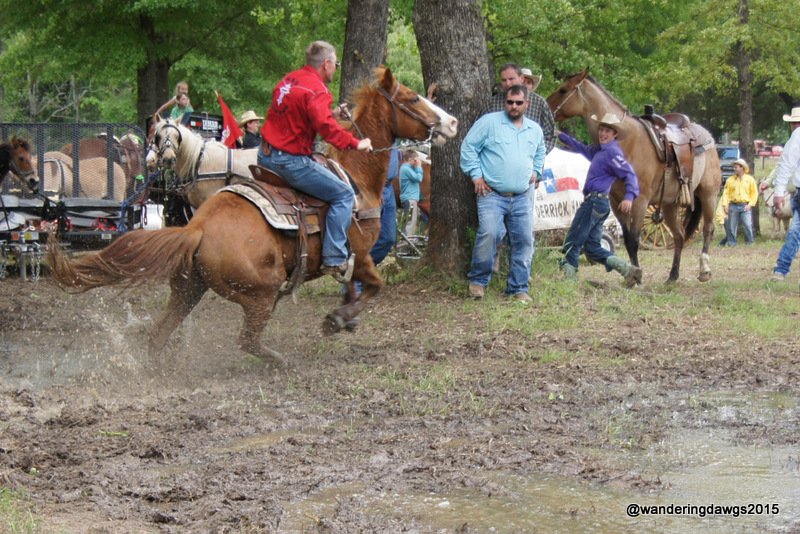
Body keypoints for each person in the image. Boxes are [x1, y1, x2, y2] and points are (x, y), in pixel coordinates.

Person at [258, 40, 372, 279]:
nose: (336, 69)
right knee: (343, 195)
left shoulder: (287, 81)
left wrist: (331, 113)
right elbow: (328, 131)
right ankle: (334, 257)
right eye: (336, 65)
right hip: (290, 162)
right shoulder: (318, 89)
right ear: (326, 64)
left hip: (265, 156)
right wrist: (357, 143)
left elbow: (298, 116)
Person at [462, 85, 546, 303]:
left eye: (519, 102)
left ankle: (518, 288)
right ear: (505, 103)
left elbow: (540, 151)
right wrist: (476, 175)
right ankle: (478, 281)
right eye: (510, 102)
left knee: (525, 240)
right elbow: (468, 147)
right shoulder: (489, 122)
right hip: (492, 194)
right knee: (489, 234)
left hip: (521, 196)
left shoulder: (534, 129)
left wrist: (537, 171)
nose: (514, 106)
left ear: (526, 103)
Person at [557, 113, 642, 286]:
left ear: (615, 134)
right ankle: (628, 270)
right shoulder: (599, 152)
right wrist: (560, 135)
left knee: (572, 242)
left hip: (594, 202)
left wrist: (629, 198)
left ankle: (568, 284)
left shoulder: (612, 152)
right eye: (601, 129)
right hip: (599, 203)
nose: (603, 133)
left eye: (607, 131)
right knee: (593, 249)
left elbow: (630, 175)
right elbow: (580, 148)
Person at [770, 107, 800, 281]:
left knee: (795, 231)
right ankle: (781, 268)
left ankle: (781, 269)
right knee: (796, 230)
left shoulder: (797, 135)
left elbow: (786, 165)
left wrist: (779, 193)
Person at [720, 158, 757, 246]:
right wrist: (725, 205)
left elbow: (754, 193)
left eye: (736, 167)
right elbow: (726, 193)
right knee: (732, 226)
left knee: (747, 225)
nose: (734, 169)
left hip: (745, 205)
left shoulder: (750, 179)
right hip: (733, 205)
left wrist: (750, 204)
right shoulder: (730, 180)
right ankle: (732, 243)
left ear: (742, 168)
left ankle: (749, 242)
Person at [399, 150, 424, 236]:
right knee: (410, 224)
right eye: (416, 159)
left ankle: (407, 243)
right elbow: (418, 178)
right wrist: (419, 167)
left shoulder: (407, 169)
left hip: (410, 199)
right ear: (411, 159)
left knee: (411, 222)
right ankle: (406, 244)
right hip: (410, 199)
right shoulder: (406, 169)